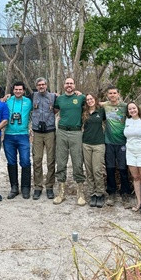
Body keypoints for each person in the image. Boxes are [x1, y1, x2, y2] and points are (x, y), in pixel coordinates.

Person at [53, 77, 86, 205]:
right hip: (61, 131)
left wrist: (81, 95)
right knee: (61, 161)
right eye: (67, 83)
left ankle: (80, 192)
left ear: (75, 85)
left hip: (76, 132)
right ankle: (61, 192)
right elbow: (54, 109)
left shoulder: (80, 98)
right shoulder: (59, 99)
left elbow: (92, 103)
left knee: (77, 161)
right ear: (64, 84)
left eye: (71, 83)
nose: (69, 85)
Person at [101, 85, 132, 207]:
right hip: (109, 142)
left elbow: (135, 115)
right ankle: (112, 193)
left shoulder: (125, 107)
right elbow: (92, 102)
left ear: (118, 94)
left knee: (123, 169)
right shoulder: (105, 106)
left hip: (122, 142)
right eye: (110, 93)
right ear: (107, 95)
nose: (112, 95)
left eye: (114, 93)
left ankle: (125, 194)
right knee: (110, 168)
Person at [3, 82, 33, 199]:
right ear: (13, 90)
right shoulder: (8, 101)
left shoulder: (28, 102)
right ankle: (14, 187)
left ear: (24, 90)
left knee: (25, 161)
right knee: (11, 162)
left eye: (20, 89)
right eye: (16, 89)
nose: (18, 91)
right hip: (9, 135)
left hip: (23, 135)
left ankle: (25, 187)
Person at [31, 77, 57, 200]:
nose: (41, 86)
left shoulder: (53, 97)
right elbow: (17, 96)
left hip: (50, 131)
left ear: (46, 85)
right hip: (37, 132)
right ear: (36, 86)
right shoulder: (33, 96)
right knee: (37, 159)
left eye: (43, 84)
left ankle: (50, 186)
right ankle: (37, 187)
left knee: (51, 160)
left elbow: (64, 102)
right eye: (39, 85)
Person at [82, 93, 107, 208]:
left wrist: (101, 103)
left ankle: (100, 194)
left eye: (91, 99)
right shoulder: (84, 112)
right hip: (86, 143)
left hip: (98, 144)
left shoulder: (101, 111)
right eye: (87, 99)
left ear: (95, 100)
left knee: (97, 170)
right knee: (89, 170)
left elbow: (111, 104)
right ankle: (92, 194)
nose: (89, 101)